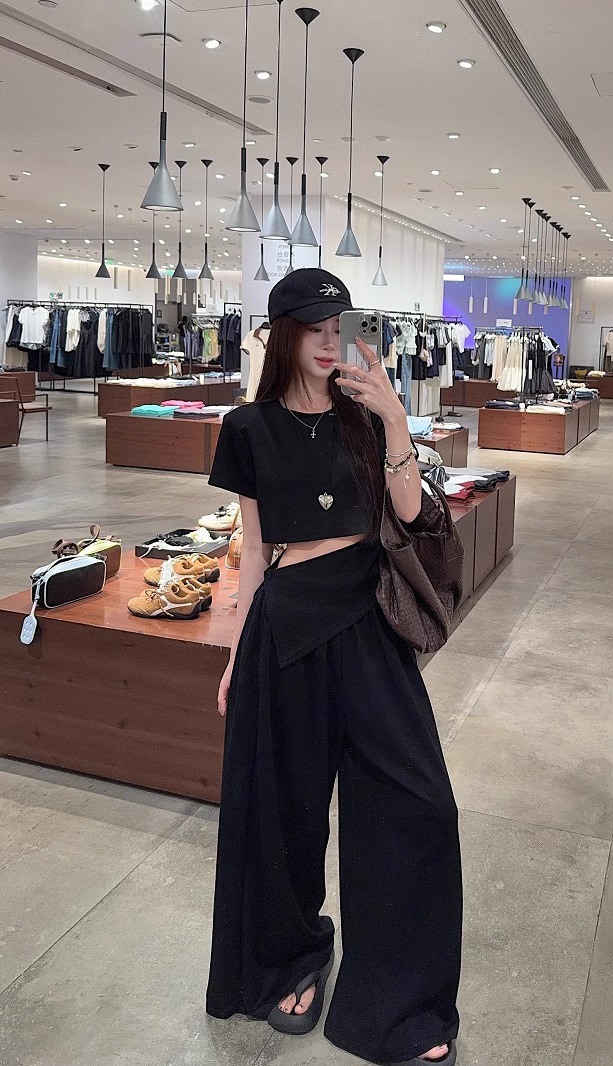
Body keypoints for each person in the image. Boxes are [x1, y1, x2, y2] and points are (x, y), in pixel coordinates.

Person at [205, 268, 462, 1066]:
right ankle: (293, 957)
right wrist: (237, 651)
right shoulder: (246, 427)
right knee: (281, 810)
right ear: (282, 334)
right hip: (286, 623)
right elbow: (254, 550)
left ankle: (399, 999)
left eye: (338, 327)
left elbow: (412, 516)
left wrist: (395, 419)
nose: (327, 341)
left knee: (419, 804)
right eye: (312, 328)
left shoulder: (367, 418)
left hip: (368, 617)